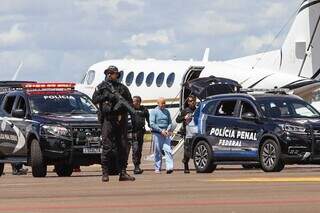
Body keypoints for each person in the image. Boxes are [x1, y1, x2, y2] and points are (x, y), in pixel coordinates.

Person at [92, 65, 135, 182]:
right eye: (109, 73)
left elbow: (130, 103)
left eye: (113, 73)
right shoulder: (101, 87)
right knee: (107, 147)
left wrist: (122, 107)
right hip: (108, 120)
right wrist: (105, 96)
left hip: (121, 120)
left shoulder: (122, 88)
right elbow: (94, 100)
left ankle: (123, 172)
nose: (111, 75)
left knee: (123, 146)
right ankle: (105, 173)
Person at [150, 97, 173, 174]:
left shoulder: (167, 111)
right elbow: (152, 123)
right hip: (157, 133)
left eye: (164, 103)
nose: (163, 105)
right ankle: (157, 167)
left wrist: (168, 129)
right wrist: (160, 131)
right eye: (162, 103)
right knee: (158, 151)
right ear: (158, 103)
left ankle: (169, 167)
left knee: (168, 150)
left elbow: (170, 122)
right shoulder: (154, 111)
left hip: (166, 133)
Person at [176, 95, 197, 173]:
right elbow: (177, 120)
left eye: (193, 101)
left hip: (195, 132)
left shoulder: (197, 110)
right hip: (187, 133)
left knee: (195, 149)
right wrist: (184, 117)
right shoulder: (185, 111)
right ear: (188, 102)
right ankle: (186, 165)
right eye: (190, 101)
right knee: (187, 150)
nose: (192, 102)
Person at [130, 96, 150, 174]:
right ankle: (135, 167)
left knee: (139, 150)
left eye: (134, 101)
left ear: (138, 102)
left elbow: (148, 119)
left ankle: (137, 166)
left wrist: (152, 127)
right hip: (132, 132)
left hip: (140, 132)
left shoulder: (144, 110)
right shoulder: (130, 109)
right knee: (135, 149)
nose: (133, 102)